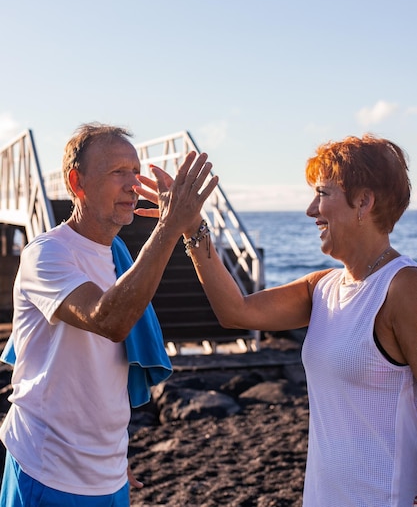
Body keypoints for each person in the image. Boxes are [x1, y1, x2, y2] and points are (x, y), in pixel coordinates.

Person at [138, 133, 417, 507]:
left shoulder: (403, 287)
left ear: (363, 202)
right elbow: (236, 311)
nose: (311, 210)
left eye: (323, 194)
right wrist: (192, 226)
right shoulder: (323, 287)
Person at [0, 122, 218, 507]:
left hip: (109, 472)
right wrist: (168, 227)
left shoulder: (121, 258)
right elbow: (108, 321)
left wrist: (114, 457)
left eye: (136, 172)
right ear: (77, 183)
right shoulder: (47, 254)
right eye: (119, 172)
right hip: (48, 470)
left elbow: (102, 374)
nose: (133, 184)